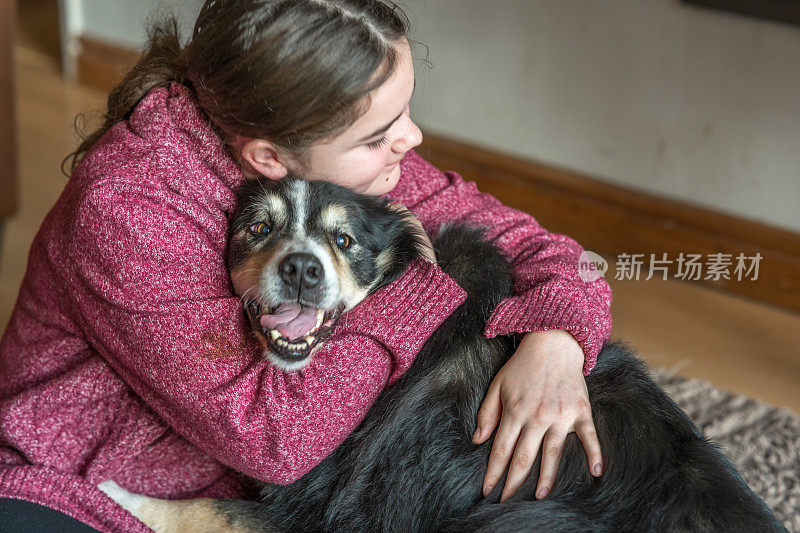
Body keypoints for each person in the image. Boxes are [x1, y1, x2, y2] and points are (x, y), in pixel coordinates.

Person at [0, 1, 612, 531]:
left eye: (403, 113)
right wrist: (415, 296)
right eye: (378, 135)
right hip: (88, 480)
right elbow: (275, 439)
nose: (413, 139)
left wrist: (557, 340)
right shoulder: (128, 209)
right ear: (269, 157)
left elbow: (543, 247)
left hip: (252, 482)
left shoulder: (318, 154)